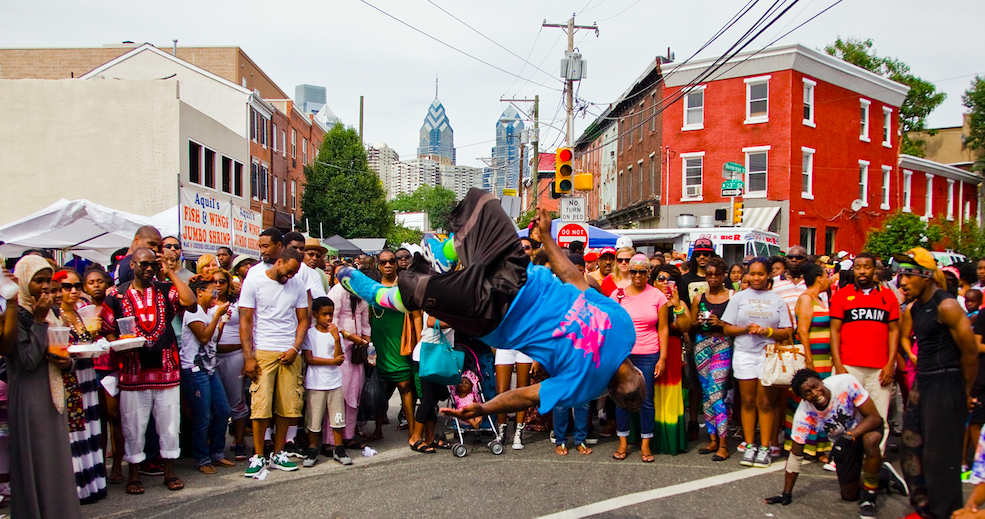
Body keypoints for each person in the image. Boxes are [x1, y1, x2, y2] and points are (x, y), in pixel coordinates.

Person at [336, 190, 645, 426]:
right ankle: (447, 253)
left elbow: (573, 277)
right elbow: (525, 395)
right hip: (518, 280)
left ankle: (377, 293)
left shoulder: (607, 352)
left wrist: (548, 239)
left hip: (496, 312)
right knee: (480, 205)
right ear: (611, 393)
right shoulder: (597, 372)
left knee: (424, 285)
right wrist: (485, 407)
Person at [897, 247, 979, 519]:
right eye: (901, 275)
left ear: (926, 276)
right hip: (923, 383)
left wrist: (966, 392)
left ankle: (946, 513)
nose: (902, 282)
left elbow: (969, 352)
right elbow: (905, 337)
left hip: (947, 383)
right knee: (911, 451)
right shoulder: (913, 308)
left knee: (940, 458)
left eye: (908, 275)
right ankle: (924, 509)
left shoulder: (947, 306)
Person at [106, 247, 195, 494]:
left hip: (167, 370)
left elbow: (190, 301)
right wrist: (119, 346)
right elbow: (106, 326)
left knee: (169, 424)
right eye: (143, 264)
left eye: (152, 265)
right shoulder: (117, 295)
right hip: (133, 372)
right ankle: (133, 475)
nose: (148, 269)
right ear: (131, 265)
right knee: (133, 424)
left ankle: (169, 472)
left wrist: (170, 273)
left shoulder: (166, 290)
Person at [2, 256, 84, 519]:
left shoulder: (49, 312)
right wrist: (37, 320)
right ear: (25, 282)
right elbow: (26, 361)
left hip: (52, 392)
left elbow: (60, 351)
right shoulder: (18, 314)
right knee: (37, 461)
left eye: (49, 280)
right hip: (29, 395)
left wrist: (67, 363)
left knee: (55, 462)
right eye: (39, 281)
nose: (45, 287)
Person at [764, 369, 905, 519]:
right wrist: (786, 493)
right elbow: (796, 455)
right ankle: (884, 474)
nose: (815, 393)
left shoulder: (845, 383)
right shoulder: (804, 415)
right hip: (845, 444)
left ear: (821, 381)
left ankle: (869, 500)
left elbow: (874, 418)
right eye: (808, 393)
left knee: (871, 441)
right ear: (803, 398)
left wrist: (848, 437)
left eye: (816, 386)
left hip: (865, 428)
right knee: (849, 494)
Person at [239, 247, 309, 476]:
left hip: (290, 352)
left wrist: (295, 348)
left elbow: (303, 320)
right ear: (279, 262)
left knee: (289, 407)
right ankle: (258, 456)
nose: (290, 277)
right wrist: (248, 357)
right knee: (260, 408)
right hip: (263, 351)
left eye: (294, 273)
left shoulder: (297, 284)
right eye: (287, 271)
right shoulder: (254, 282)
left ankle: (278, 453)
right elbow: (246, 321)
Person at [721, 258, 794, 468]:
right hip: (744, 353)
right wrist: (746, 329)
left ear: (768, 275)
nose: (756, 278)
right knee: (747, 401)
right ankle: (750, 444)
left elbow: (787, 331)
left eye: (760, 274)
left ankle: (765, 448)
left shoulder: (777, 300)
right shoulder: (738, 298)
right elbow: (727, 328)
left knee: (766, 402)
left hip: (768, 354)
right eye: (752, 274)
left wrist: (767, 331)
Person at [829, 252, 900, 458]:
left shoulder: (888, 297)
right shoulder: (842, 295)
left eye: (866, 267)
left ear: (875, 270)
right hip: (849, 364)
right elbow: (835, 330)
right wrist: (839, 364)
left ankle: (874, 458)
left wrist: (890, 363)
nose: (861, 271)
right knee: (845, 414)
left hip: (879, 367)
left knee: (878, 417)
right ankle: (844, 456)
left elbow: (895, 331)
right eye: (858, 267)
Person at [54, 268, 108, 504]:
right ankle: (78, 488)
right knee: (76, 433)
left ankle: (93, 484)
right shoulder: (54, 315)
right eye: (67, 287)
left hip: (87, 374)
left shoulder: (81, 312)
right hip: (69, 379)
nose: (73, 291)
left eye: (77, 286)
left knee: (91, 430)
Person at [610, 254, 669, 463]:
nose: (636, 275)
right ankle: (623, 442)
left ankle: (645, 444)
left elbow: (663, 328)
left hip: (648, 353)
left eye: (641, 271)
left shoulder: (657, 296)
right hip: (624, 354)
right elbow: (610, 325)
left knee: (646, 400)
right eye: (633, 271)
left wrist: (662, 358)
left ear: (647, 273)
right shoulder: (617, 295)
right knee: (621, 399)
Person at [180, 274, 234, 474]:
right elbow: (203, 337)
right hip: (194, 371)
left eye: (217, 291)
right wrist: (217, 316)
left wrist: (221, 322)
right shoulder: (192, 313)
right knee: (203, 416)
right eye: (212, 291)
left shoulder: (210, 311)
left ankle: (217, 453)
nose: (216, 294)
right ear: (199, 292)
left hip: (209, 369)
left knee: (223, 411)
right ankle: (202, 458)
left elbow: (213, 340)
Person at [365, 249, 416, 443]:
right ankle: (378, 429)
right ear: (378, 265)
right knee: (381, 390)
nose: (388, 265)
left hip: (400, 341)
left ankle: (413, 432)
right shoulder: (372, 288)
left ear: (396, 264)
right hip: (380, 343)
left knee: (405, 386)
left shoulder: (404, 286)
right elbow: (367, 317)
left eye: (391, 262)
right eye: (384, 262)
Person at [784, 262, 833, 460]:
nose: (830, 279)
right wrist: (809, 360)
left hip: (825, 358)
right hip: (812, 357)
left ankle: (820, 445)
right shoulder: (806, 299)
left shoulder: (820, 298)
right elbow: (802, 330)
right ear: (819, 278)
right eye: (827, 275)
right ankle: (803, 443)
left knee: (822, 400)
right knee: (808, 400)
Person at [84, 266, 124, 484]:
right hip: (91, 370)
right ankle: (98, 467)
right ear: (85, 287)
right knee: (96, 420)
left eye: (100, 281)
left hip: (111, 367)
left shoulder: (113, 307)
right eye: (91, 282)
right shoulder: (81, 311)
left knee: (115, 417)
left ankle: (117, 466)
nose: (96, 286)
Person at [690, 257, 733, 461]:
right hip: (701, 344)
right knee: (707, 394)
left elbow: (738, 323)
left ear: (724, 275)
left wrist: (720, 322)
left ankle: (724, 443)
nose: (713, 278)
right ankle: (713, 438)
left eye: (717, 274)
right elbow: (690, 323)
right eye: (709, 274)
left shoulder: (732, 296)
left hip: (722, 343)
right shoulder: (699, 297)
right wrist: (698, 320)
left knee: (717, 394)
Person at [302, 297, 351, 467]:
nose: (328, 318)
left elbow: (340, 357)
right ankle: (312, 449)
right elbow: (309, 359)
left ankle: (339, 448)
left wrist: (336, 339)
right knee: (314, 420)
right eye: (324, 314)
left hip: (334, 383)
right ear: (315, 314)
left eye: (330, 314)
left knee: (338, 418)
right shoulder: (309, 334)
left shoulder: (335, 333)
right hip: (316, 384)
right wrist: (331, 361)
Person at [649, 265, 691, 454]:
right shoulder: (647, 299)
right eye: (661, 278)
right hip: (649, 349)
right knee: (650, 394)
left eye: (669, 279)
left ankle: (670, 439)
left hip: (672, 350)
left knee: (670, 395)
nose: (665, 283)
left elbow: (685, 326)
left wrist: (677, 306)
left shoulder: (678, 301)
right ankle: (647, 438)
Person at [326, 280, 371, 453]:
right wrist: (351, 337)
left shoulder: (363, 296)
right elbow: (331, 323)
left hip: (357, 352)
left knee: (354, 394)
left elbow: (365, 322)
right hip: (339, 348)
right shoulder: (338, 292)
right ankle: (330, 439)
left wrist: (366, 341)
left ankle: (348, 436)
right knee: (339, 395)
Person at [212, 268, 249, 461]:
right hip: (211, 357)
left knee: (237, 400)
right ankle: (215, 444)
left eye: (222, 282)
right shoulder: (204, 304)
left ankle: (240, 440)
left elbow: (247, 327)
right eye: (214, 282)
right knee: (216, 405)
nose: (218, 285)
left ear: (228, 283)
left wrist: (247, 355)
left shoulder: (237, 304)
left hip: (235, 355)